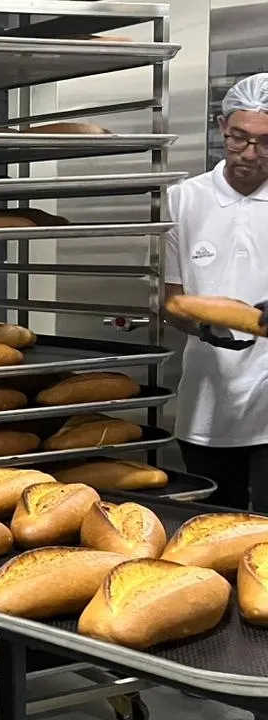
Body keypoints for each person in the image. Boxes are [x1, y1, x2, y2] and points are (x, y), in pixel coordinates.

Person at [163, 72, 268, 511]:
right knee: (214, 521)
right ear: (222, 126)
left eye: (266, 142)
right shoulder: (183, 200)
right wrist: (203, 326)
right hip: (208, 402)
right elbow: (171, 300)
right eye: (239, 138)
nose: (250, 153)